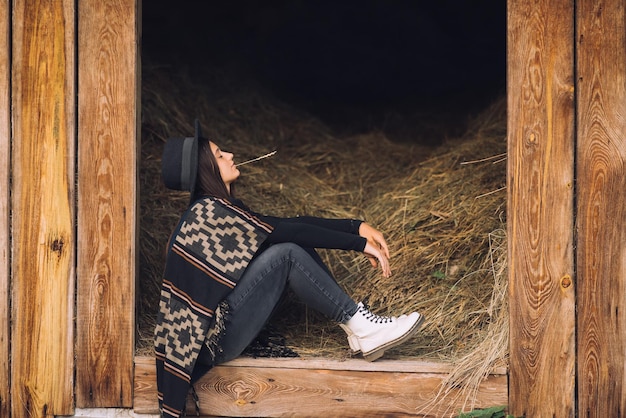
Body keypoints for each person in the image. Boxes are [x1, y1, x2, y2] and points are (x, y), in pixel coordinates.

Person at [154, 120, 424, 417]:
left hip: (225, 328)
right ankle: (360, 325)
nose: (230, 155)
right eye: (219, 155)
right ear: (206, 169)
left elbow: (288, 225)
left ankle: (359, 330)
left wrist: (355, 228)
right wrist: (358, 244)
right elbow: (285, 232)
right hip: (214, 342)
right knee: (286, 254)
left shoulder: (219, 209)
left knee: (294, 244)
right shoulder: (207, 214)